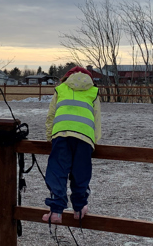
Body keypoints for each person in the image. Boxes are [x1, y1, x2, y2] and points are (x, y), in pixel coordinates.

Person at [42, 66, 101, 223]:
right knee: (81, 172)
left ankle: (56, 212)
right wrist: (93, 141)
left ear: (66, 78)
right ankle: (80, 208)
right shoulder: (93, 91)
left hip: (61, 133)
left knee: (57, 170)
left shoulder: (61, 89)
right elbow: (97, 118)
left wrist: (50, 137)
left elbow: (51, 115)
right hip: (84, 136)